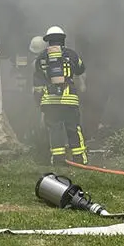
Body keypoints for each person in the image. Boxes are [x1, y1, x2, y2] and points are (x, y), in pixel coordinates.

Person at [33, 26, 88, 165]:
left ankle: (58, 160)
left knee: (55, 130)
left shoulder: (41, 57)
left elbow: (37, 84)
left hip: (50, 102)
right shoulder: (71, 54)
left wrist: (39, 102)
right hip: (69, 100)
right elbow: (81, 69)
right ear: (63, 39)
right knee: (73, 129)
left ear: (48, 41)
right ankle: (79, 159)